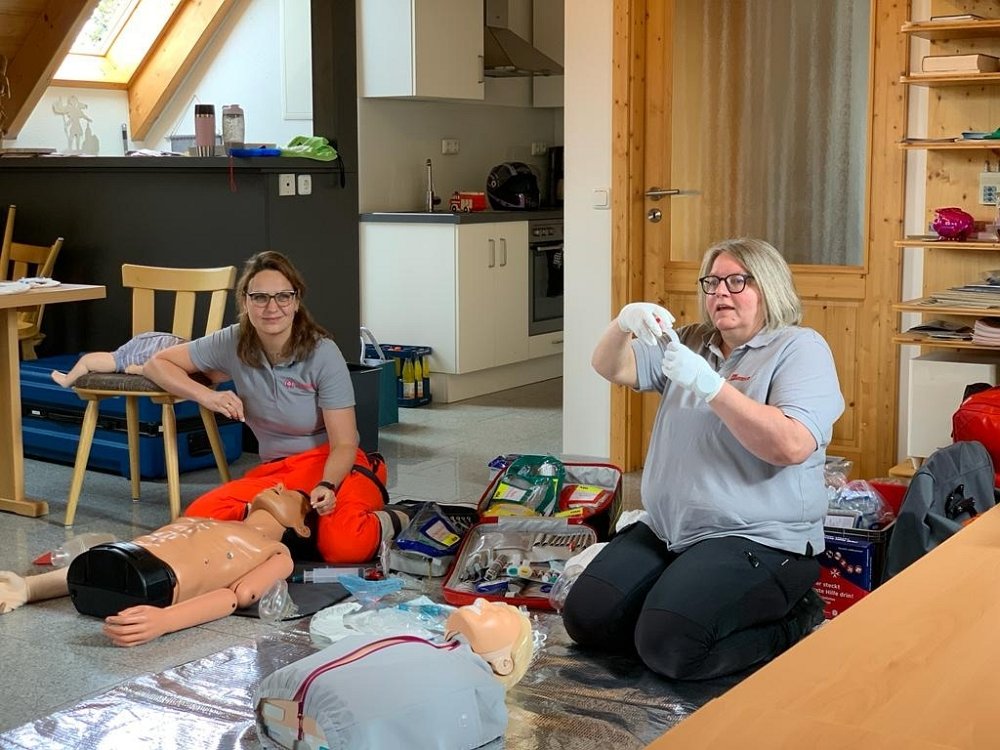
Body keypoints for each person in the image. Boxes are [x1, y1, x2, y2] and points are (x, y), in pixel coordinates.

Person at [563, 237, 845, 681]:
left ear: (769, 287)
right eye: (712, 283)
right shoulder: (693, 342)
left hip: (757, 537)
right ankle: (676, 598)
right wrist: (622, 324)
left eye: (737, 281)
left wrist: (712, 387)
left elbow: (791, 446)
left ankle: (796, 620)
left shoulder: (800, 348)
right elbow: (610, 366)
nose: (720, 293)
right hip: (669, 528)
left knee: (671, 647)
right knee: (587, 620)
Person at [144, 251, 408, 564]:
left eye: (283, 296)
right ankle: (296, 523)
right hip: (278, 470)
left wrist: (327, 484)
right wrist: (207, 396)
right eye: (260, 297)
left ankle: (396, 517)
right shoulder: (233, 340)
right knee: (199, 517)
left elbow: (345, 443)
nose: (272, 308)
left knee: (345, 546)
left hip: (334, 465)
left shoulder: (323, 352)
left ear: (296, 302)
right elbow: (157, 364)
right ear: (245, 302)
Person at [0, 485, 312, 646]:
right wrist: (30, 587)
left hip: (156, 584)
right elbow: (146, 544)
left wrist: (165, 621)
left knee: (121, 566)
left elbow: (236, 597)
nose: (279, 485)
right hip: (113, 559)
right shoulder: (210, 520)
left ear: (301, 527)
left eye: (290, 493)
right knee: (115, 559)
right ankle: (25, 588)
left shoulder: (277, 553)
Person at [50, 331, 187, 388]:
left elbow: (148, 368)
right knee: (89, 360)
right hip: (145, 346)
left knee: (87, 360)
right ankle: (69, 378)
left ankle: (67, 381)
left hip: (133, 353)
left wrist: (137, 369)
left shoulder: (124, 358)